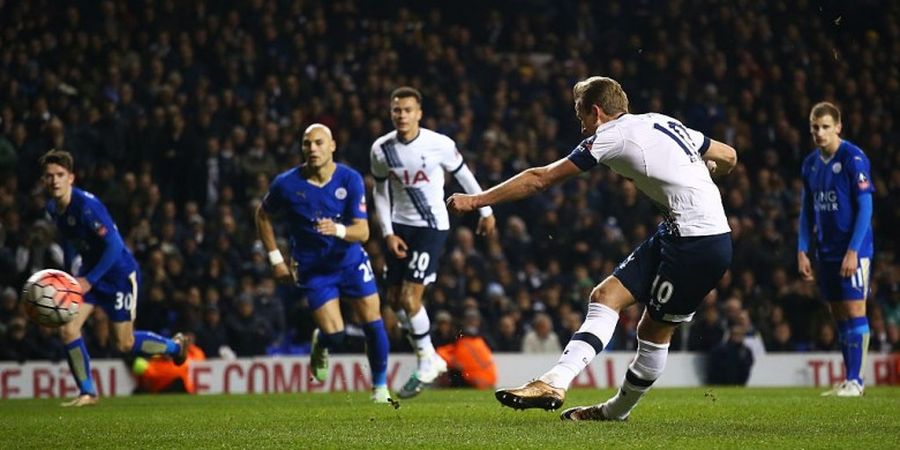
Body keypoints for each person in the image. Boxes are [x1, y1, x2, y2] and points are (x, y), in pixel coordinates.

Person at [448, 76, 737, 421]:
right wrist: (705, 172)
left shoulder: (610, 135)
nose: (580, 125)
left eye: (580, 115)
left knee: (653, 331)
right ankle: (555, 382)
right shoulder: (661, 120)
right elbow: (729, 155)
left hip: (699, 243)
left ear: (596, 112)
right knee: (604, 297)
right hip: (677, 233)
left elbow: (540, 179)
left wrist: (476, 200)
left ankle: (613, 411)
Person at [370, 86, 496, 398]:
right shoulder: (381, 150)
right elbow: (380, 193)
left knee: (411, 300)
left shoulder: (439, 144)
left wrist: (486, 209)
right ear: (391, 113)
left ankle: (428, 360)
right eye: (397, 110)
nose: (402, 116)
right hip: (400, 228)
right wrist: (387, 232)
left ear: (419, 113)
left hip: (432, 226)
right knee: (396, 301)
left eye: (408, 110)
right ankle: (429, 357)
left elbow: (464, 176)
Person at [40, 149, 189, 407]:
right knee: (67, 329)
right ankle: (88, 392)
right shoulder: (53, 209)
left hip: (119, 274)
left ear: (71, 178)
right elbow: (69, 241)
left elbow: (115, 246)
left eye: (60, 175)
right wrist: (69, 275)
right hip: (89, 274)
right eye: (49, 176)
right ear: (44, 180)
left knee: (123, 343)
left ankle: (175, 347)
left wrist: (89, 280)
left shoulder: (87, 206)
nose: (54, 180)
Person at [256, 124, 391, 403]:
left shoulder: (349, 179)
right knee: (336, 335)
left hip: (350, 262)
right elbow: (263, 215)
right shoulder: (286, 184)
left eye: (319, 143)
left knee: (373, 324)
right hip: (314, 269)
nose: (312, 149)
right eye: (307, 144)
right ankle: (322, 342)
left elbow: (363, 232)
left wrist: (338, 230)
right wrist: (275, 259)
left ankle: (379, 388)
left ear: (332, 146)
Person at [798, 102, 874, 397]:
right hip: (825, 251)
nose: (819, 133)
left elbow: (866, 206)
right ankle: (849, 379)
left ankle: (857, 380)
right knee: (839, 313)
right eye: (815, 127)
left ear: (838, 127)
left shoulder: (853, 158)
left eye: (826, 127)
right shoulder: (810, 164)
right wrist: (803, 249)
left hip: (853, 250)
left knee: (855, 309)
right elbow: (806, 210)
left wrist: (854, 250)